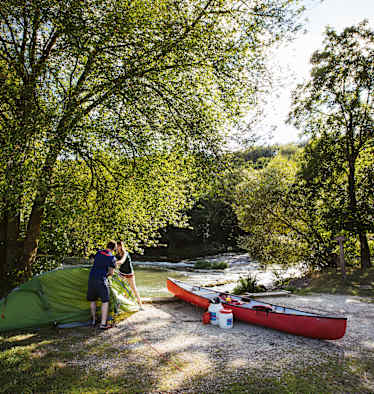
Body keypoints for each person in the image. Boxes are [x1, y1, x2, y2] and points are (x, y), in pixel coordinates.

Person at [86, 240, 117, 329]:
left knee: (92, 300)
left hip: (91, 278)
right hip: (101, 280)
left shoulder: (99, 252)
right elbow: (111, 273)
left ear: (107, 246)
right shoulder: (112, 258)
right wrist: (106, 274)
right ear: (113, 249)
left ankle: (93, 320)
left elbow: (93, 261)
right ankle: (103, 324)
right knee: (105, 301)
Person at [116, 240, 143, 310]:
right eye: (117, 246)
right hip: (121, 273)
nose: (117, 247)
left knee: (134, 289)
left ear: (120, 246)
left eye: (118, 246)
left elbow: (122, 261)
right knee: (120, 289)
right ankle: (122, 305)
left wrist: (114, 262)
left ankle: (140, 305)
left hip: (129, 274)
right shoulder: (117, 254)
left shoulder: (126, 253)